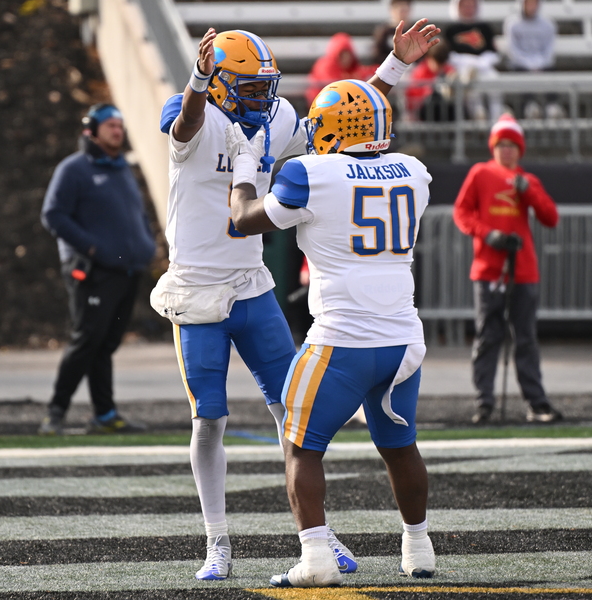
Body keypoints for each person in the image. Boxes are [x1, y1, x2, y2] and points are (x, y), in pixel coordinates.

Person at [152, 21, 439, 581]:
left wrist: (393, 69)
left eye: (267, 86)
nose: (264, 97)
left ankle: (319, 540)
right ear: (218, 83)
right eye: (250, 87)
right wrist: (198, 79)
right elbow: (185, 123)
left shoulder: (276, 118)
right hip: (197, 287)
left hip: (252, 281)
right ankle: (217, 542)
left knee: (292, 410)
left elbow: (342, 122)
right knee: (209, 419)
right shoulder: (196, 110)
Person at [226, 79, 435, 588]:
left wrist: (245, 168)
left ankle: (317, 557)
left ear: (335, 129)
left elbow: (244, 220)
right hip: (403, 341)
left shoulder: (309, 173)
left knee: (301, 447)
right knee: (399, 444)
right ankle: (418, 546)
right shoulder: (414, 171)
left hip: (341, 341)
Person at [38, 104, 156, 435]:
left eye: (120, 125)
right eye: (110, 125)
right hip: (93, 271)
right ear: (92, 130)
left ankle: (104, 413)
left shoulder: (122, 168)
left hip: (126, 270)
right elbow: (53, 214)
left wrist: (146, 245)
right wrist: (91, 247)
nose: (117, 131)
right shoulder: (74, 169)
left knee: (105, 344)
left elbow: (137, 215)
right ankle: (55, 411)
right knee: (87, 339)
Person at [452, 113, 562, 425]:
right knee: (488, 336)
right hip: (489, 268)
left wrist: (529, 191)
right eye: (501, 144)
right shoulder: (480, 173)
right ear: (493, 147)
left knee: (525, 338)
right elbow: (462, 213)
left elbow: (550, 217)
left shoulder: (528, 180)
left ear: (520, 149)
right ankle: (484, 403)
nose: (506, 150)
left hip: (523, 270)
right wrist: (488, 234)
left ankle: (536, 403)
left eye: (512, 145)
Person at [503, 0, 563, 120]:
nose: (531, 7)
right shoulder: (512, 24)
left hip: (543, 64)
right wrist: (529, 64)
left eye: (534, 3)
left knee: (551, 71)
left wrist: (539, 63)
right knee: (520, 73)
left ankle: (552, 105)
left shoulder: (548, 24)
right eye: (528, 3)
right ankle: (529, 105)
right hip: (521, 64)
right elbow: (513, 50)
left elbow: (549, 50)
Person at [444, 0, 503, 121]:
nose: (468, 9)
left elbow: (494, 53)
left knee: (495, 82)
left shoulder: (485, 28)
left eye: (471, 6)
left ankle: (496, 118)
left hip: (484, 67)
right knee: (470, 86)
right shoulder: (451, 29)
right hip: (462, 68)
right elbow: (448, 55)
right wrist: (468, 60)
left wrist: (483, 61)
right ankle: (477, 116)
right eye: (465, 6)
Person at [306, 32, 374, 105]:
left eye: (348, 55)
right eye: (342, 55)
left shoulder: (353, 69)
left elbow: (365, 72)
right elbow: (332, 87)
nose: (346, 59)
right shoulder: (324, 66)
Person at [406, 39, 456, 121]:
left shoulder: (449, 70)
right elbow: (414, 100)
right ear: (429, 57)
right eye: (437, 63)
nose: (440, 67)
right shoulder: (420, 73)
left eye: (442, 63)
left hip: (446, 114)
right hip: (425, 114)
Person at [370, 0, 414, 65]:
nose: (401, 13)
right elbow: (377, 55)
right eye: (398, 9)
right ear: (391, 10)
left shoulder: (416, 31)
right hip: (389, 67)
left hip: (413, 68)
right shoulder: (383, 31)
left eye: (404, 10)